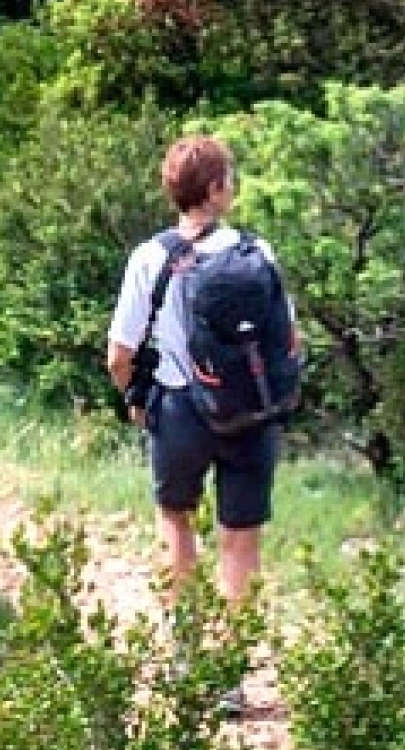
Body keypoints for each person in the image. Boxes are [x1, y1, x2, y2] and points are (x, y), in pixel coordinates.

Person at [105, 132, 298, 620]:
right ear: (214, 189)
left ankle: (186, 643)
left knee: (176, 519)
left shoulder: (152, 257)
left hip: (179, 408)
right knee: (241, 536)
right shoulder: (258, 252)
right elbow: (288, 337)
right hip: (250, 411)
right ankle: (236, 650)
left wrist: (134, 398)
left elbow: (118, 354)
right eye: (229, 178)